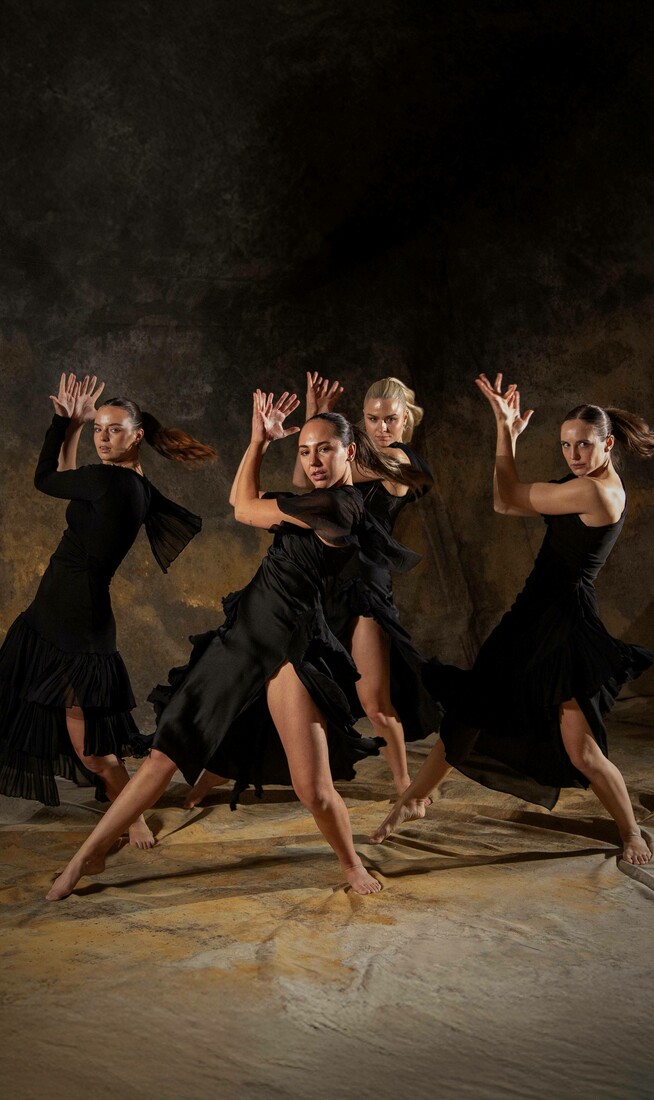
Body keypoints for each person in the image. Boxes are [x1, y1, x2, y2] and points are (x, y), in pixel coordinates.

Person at [46, 390, 423, 901]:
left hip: (291, 651)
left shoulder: (338, 507)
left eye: (326, 450)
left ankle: (351, 864)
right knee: (163, 755)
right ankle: (84, 857)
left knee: (312, 788)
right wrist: (263, 441)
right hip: (243, 639)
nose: (313, 461)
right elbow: (255, 500)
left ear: (350, 454)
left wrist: (257, 443)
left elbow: (242, 506)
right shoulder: (314, 497)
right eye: (306, 450)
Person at [371, 374, 653, 866]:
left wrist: (505, 431)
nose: (573, 455)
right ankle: (413, 799)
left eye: (583, 445)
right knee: (472, 708)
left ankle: (631, 833)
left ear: (607, 444)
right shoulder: (587, 480)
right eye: (566, 445)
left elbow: (506, 500)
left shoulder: (599, 494)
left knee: (581, 749)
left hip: (564, 626)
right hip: (531, 614)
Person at [185, 372, 438, 810]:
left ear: (406, 421)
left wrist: (317, 427)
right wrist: (318, 428)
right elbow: (311, 484)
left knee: (375, 702)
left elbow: (336, 468)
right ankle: (219, 770)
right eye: (372, 418)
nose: (382, 427)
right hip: (322, 585)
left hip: (364, 594)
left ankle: (406, 787)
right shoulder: (350, 454)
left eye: (391, 420)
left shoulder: (400, 461)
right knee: (276, 682)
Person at [0, 372, 213, 849]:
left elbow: (45, 480)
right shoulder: (126, 482)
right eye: (99, 428)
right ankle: (126, 807)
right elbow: (71, 485)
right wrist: (76, 427)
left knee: (93, 753)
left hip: (74, 627)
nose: (103, 436)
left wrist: (61, 423)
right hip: (53, 616)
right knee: (88, 742)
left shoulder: (110, 482)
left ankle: (131, 817)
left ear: (137, 435)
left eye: (114, 429)